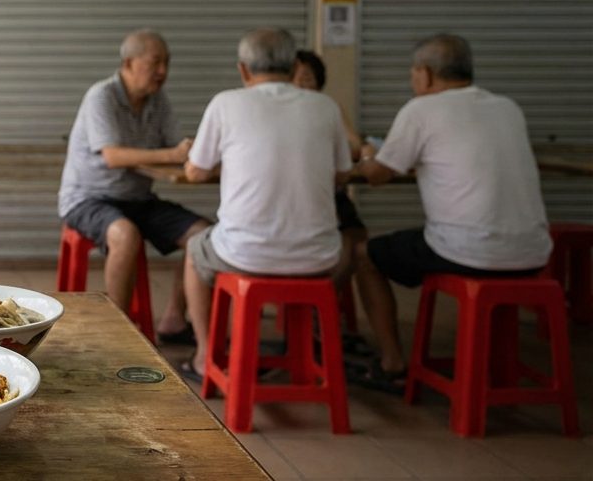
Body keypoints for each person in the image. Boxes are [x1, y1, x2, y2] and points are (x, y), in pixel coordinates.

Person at [349, 34, 551, 393]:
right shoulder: (507, 107)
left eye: (413, 72)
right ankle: (495, 363)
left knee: (366, 255)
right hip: (534, 253)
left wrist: (366, 154)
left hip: (468, 252)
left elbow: (378, 175)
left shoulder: (422, 110)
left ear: (425, 74)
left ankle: (392, 361)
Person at [179, 28, 352, 378]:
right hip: (320, 258)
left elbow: (196, 172)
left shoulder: (227, 103)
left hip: (245, 255)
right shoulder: (325, 106)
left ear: (243, 70)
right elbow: (342, 174)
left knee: (196, 251)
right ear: (292, 67)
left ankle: (204, 354)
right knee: (350, 241)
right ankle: (307, 350)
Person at [58, 29, 209, 335]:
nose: (163, 72)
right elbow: (113, 156)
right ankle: (119, 331)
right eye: (155, 63)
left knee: (203, 237)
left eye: (167, 63)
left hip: (138, 199)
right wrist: (173, 154)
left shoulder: (158, 100)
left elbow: (178, 149)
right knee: (125, 235)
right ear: (128, 63)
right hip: (88, 198)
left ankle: (175, 318)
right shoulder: (101, 96)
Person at [293, 51, 369, 328]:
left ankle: (321, 300)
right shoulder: (275, 111)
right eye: (296, 78)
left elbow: (355, 145)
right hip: (295, 202)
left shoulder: (327, 107)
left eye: (308, 78)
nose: (302, 84)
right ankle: (309, 303)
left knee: (356, 239)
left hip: (329, 195)